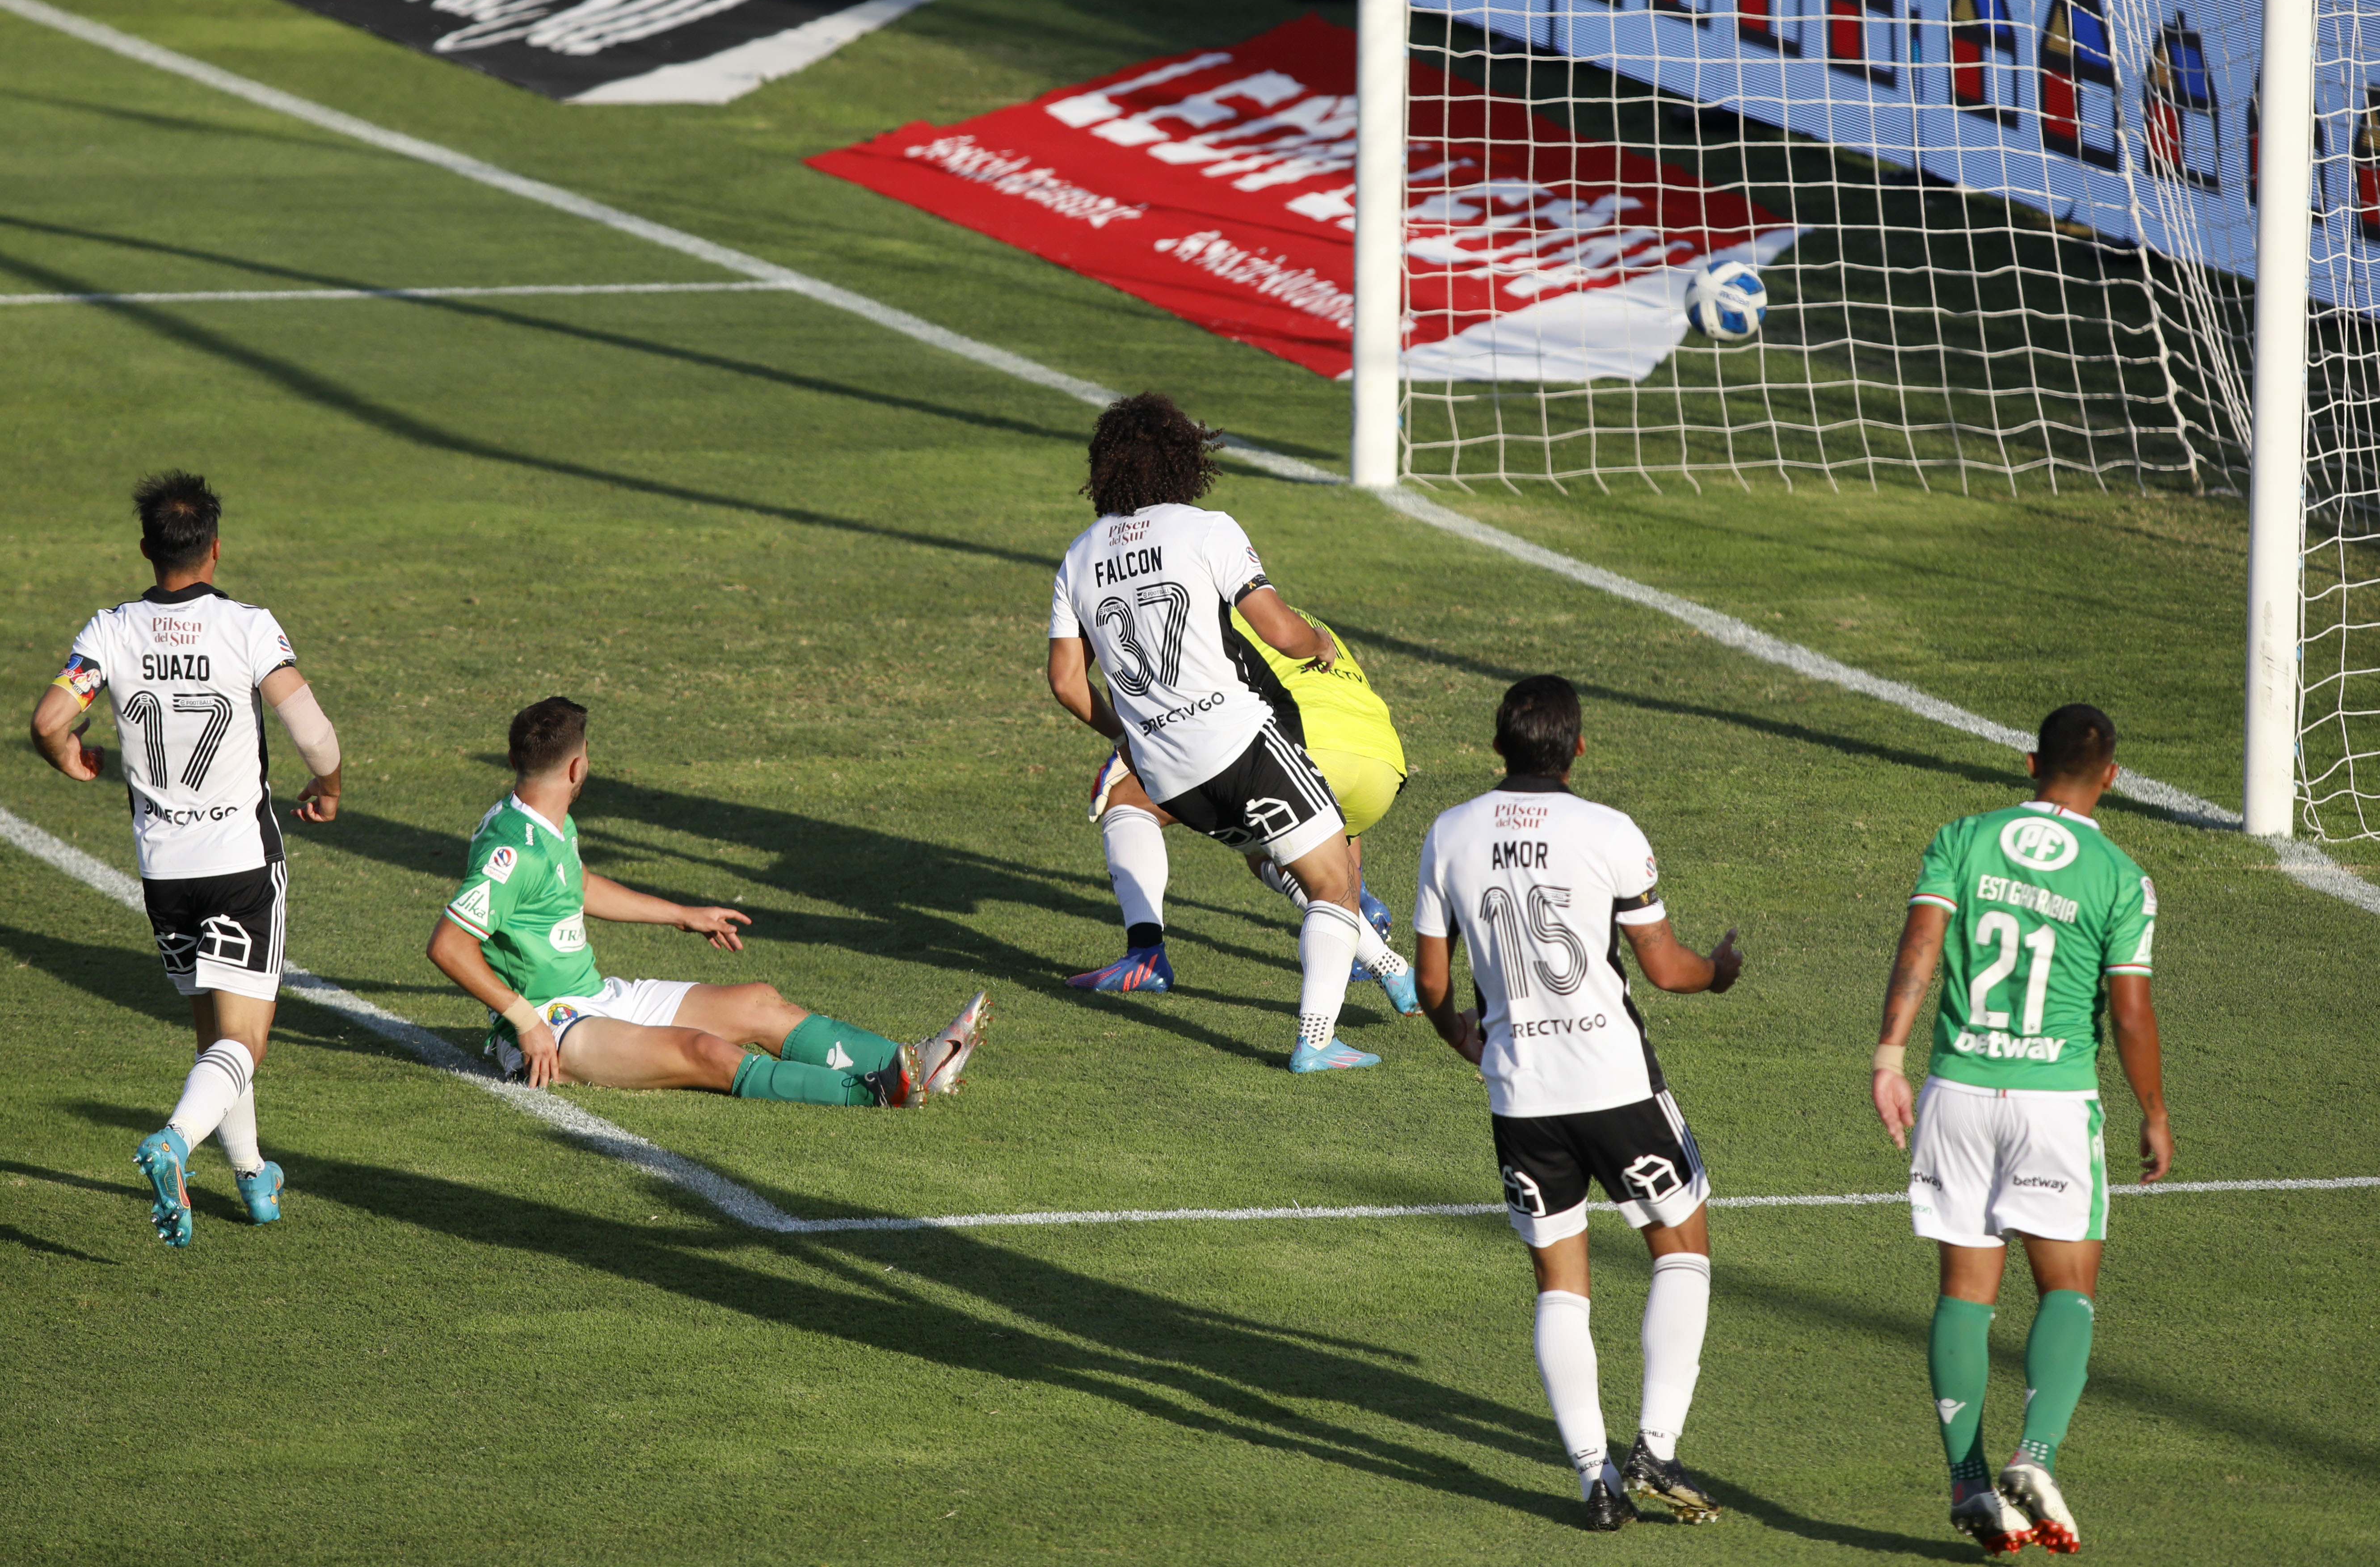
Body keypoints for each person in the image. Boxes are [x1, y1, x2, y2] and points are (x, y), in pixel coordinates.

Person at [1411, 676, 1742, 1529]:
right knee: (1682, 1245)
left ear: (1497, 746)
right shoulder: (1609, 833)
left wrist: (1465, 1042)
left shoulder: (1448, 833)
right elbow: (1668, 970)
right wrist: (1720, 970)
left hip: (1522, 1095)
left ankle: (1595, 1482)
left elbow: (1431, 982)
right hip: (1616, 1084)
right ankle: (1656, 1448)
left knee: (1561, 1279)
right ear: (1579, 747)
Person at [1870, 703, 2171, 1556]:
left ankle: (1968, 1480)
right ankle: (2033, 1456)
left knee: (1964, 1295)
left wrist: (1889, 1056)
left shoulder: (1963, 838)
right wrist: (2152, 1110)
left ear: (2029, 760)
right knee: (2067, 1288)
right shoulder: (2119, 874)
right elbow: (2132, 1011)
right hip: (2053, 1104)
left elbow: (1920, 945)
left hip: (1957, 1091)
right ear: (2112, 774)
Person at [1046, 392, 1413, 1074]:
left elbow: (1067, 681)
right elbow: (1276, 628)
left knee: (1282, 862)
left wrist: (1127, 735)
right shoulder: (1205, 529)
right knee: (1334, 883)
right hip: (1244, 744)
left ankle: (1391, 969)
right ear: (1186, 458)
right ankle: (1315, 1038)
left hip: (1169, 775)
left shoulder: (1080, 556)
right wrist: (1321, 644)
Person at [30, 471, 344, 1247]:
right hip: (240, 864)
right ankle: (174, 1141)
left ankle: (253, 1176)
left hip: (165, 872)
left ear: (147, 549)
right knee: (246, 1043)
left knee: (215, 1035)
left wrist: (67, 752)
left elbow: (47, 719)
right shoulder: (247, 626)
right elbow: (314, 735)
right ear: (214, 547)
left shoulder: (110, 629)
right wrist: (329, 784)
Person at [425, 697, 986, 1107]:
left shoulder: (546, 821)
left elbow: (579, 885)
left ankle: (913, 1061)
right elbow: (448, 946)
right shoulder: (512, 852)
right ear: (578, 767)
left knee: (758, 1003)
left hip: (593, 996)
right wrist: (523, 1018)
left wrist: (682, 915)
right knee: (704, 1051)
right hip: (552, 1028)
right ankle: (881, 1093)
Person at [1069, 602, 1407, 995]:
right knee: (1298, 848)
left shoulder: (1200, 618)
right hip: (1383, 764)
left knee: (1126, 800)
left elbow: (1185, 706)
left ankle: (1145, 954)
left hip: (1309, 745)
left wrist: (1125, 750)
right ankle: (1359, 913)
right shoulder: (1293, 615)